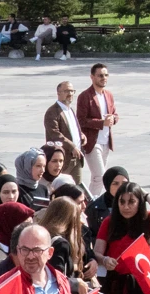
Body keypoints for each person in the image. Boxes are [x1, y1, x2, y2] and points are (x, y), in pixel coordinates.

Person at [76, 63, 117, 195]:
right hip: (93, 142)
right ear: (92, 77)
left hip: (106, 141)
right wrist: (101, 123)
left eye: (106, 75)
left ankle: (92, 202)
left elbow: (115, 114)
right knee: (100, 177)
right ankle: (93, 203)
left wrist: (113, 119)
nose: (104, 78)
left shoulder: (108, 95)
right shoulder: (85, 96)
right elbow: (81, 120)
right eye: (100, 75)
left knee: (98, 178)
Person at [44, 80, 83, 183]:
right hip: (62, 159)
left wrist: (81, 135)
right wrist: (72, 146)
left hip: (76, 158)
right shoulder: (52, 112)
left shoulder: (70, 110)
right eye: (66, 91)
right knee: (60, 186)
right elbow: (55, 134)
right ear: (58, 93)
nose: (70, 94)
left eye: (72, 91)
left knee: (77, 188)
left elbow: (72, 129)